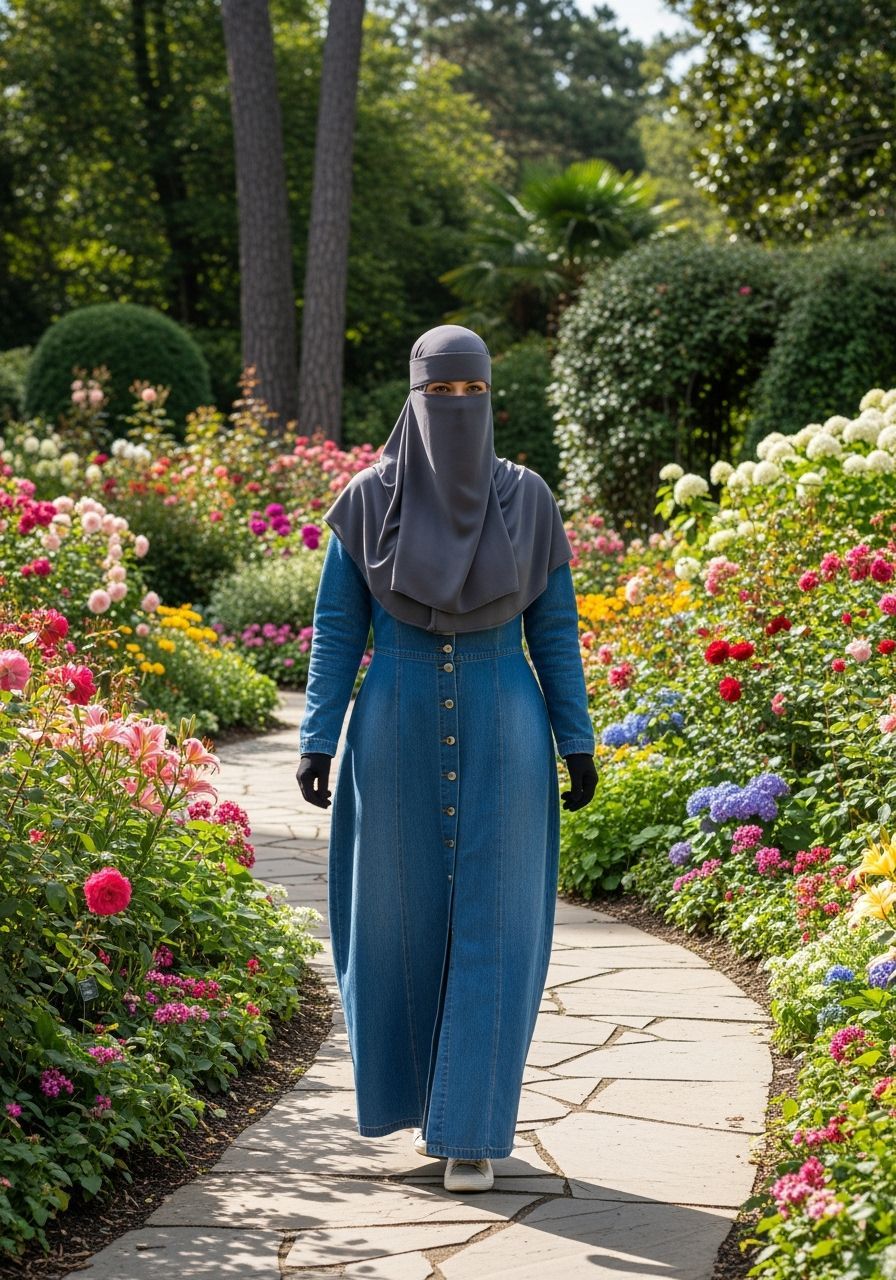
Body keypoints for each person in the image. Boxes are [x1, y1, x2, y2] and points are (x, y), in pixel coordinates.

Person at [296, 324, 597, 1194]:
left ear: (492, 397)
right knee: (396, 921)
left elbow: (557, 631)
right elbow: (338, 630)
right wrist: (318, 734)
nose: (458, 409)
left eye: (474, 393)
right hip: (393, 719)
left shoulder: (529, 500)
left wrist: (575, 738)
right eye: (442, 394)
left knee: (499, 927)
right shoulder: (365, 502)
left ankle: (471, 1133)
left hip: (507, 722)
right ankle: (411, 1104)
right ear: (415, 396)